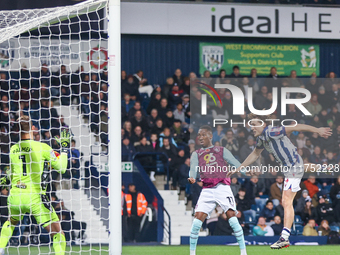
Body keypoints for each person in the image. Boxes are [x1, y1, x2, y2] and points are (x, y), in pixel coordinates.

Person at [228, 113, 332, 249]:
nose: (251, 127)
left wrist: (317, 130)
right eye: (251, 124)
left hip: (292, 167)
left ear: (262, 124)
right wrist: (240, 167)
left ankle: (284, 238)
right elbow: (255, 154)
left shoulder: (272, 131)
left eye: (254, 124)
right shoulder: (262, 139)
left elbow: (296, 126)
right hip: (294, 165)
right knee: (299, 173)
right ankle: (323, 168)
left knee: (286, 201)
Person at [0, 116, 71, 255]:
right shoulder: (42, 147)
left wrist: (6, 179)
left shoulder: (13, 149)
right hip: (35, 197)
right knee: (58, 233)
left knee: (11, 222)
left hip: (16, 196)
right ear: (32, 128)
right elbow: (62, 168)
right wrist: (64, 149)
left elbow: (12, 173)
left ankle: (0, 248)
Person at [188, 125, 247, 255]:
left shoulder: (221, 150)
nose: (200, 137)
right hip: (207, 189)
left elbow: (234, 161)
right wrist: (191, 176)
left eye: (203, 134)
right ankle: (192, 253)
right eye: (199, 135)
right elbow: (193, 168)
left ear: (210, 136)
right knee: (197, 221)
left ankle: (243, 252)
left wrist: (245, 170)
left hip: (222, 187)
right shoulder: (196, 154)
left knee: (232, 216)